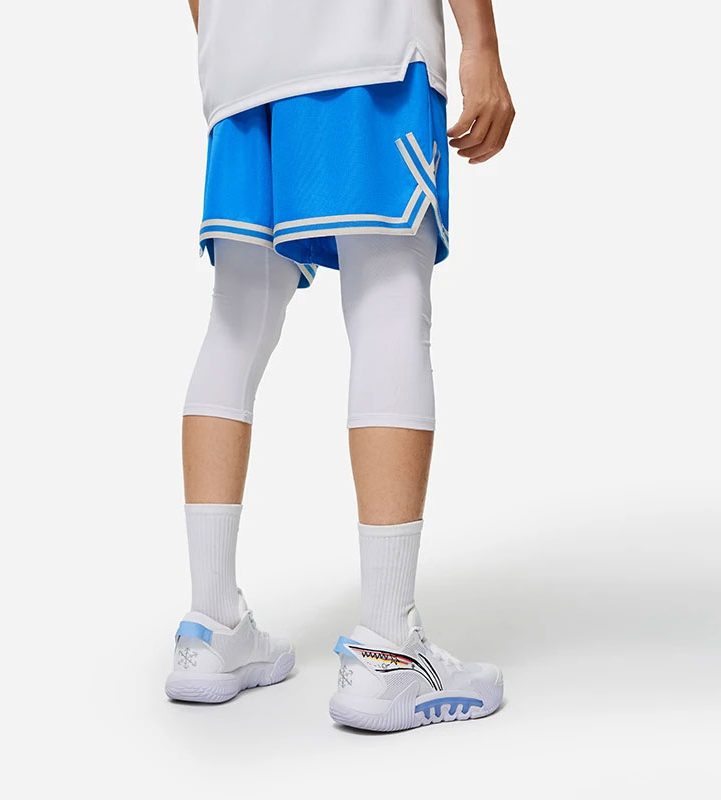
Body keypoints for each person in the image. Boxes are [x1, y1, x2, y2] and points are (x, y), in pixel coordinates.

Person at [165, 0, 515, 732]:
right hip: (366, 42)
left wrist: (238, 40)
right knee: (389, 306)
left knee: (235, 320)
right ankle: (389, 648)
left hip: (242, 64)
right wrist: (480, 42)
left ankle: (210, 627)